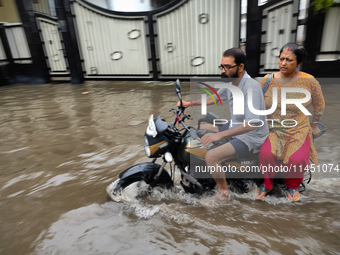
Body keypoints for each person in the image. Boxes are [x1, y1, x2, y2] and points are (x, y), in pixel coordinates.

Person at [180, 48, 269, 200]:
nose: (223, 71)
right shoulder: (231, 83)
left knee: (211, 157)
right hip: (237, 125)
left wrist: (219, 135)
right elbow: (214, 98)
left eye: (228, 67)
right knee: (201, 127)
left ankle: (223, 193)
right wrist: (189, 103)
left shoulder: (251, 88)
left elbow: (251, 125)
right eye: (222, 66)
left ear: (240, 67)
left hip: (251, 136)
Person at [256, 42, 325, 202]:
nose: (283, 63)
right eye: (281, 59)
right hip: (274, 128)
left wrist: (314, 125)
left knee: (297, 159)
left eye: (289, 60)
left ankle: (292, 186)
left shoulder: (309, 81)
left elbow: (319, 105)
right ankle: (267, 184)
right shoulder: (268, 80)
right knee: (265, 154)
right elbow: (255, 102)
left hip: (298, 129)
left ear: (299, 62)